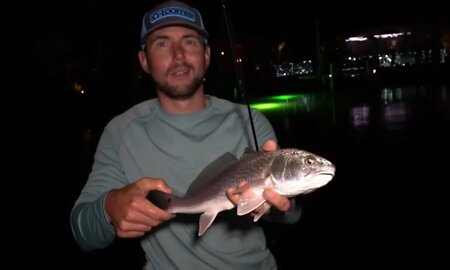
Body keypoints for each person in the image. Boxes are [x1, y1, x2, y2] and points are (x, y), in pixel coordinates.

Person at [70, 1, 302, 269]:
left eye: (190, 42)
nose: (178, 55)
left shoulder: (250, 120)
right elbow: (82, 234)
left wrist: (283, 200)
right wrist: (108, 208)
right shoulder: (120, 131)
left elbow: (291, 216)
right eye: (162, 43)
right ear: (144, 61)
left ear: (207, 55)